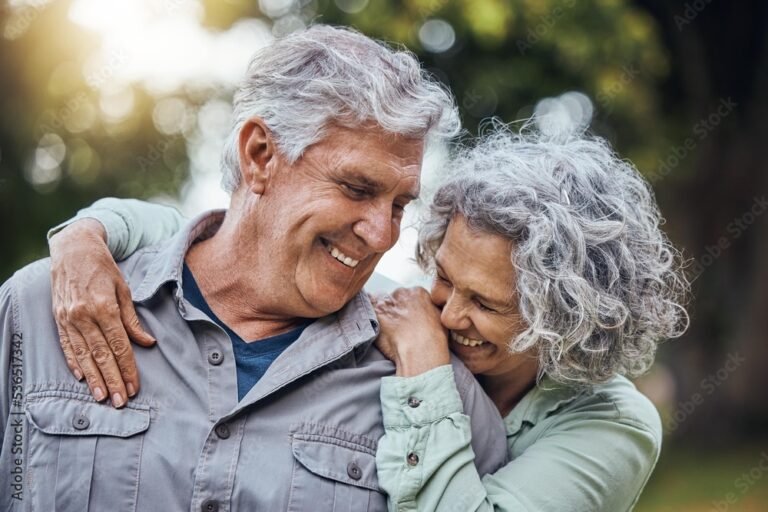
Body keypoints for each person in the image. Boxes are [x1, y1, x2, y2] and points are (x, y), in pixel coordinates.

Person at [45, 117, 689, 511]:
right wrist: (89, 231)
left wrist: (428, 376)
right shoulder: (414, 311)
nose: (449, 311)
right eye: (444, 276)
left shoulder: (615, 425)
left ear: (566, 323)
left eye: (486, 304)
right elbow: (227, 239)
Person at [0, 25, 509, 512]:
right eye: (356, 189)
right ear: (259, 155)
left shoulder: (433, 386)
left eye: (399, 205)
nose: (382, 235)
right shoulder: (39, 310)